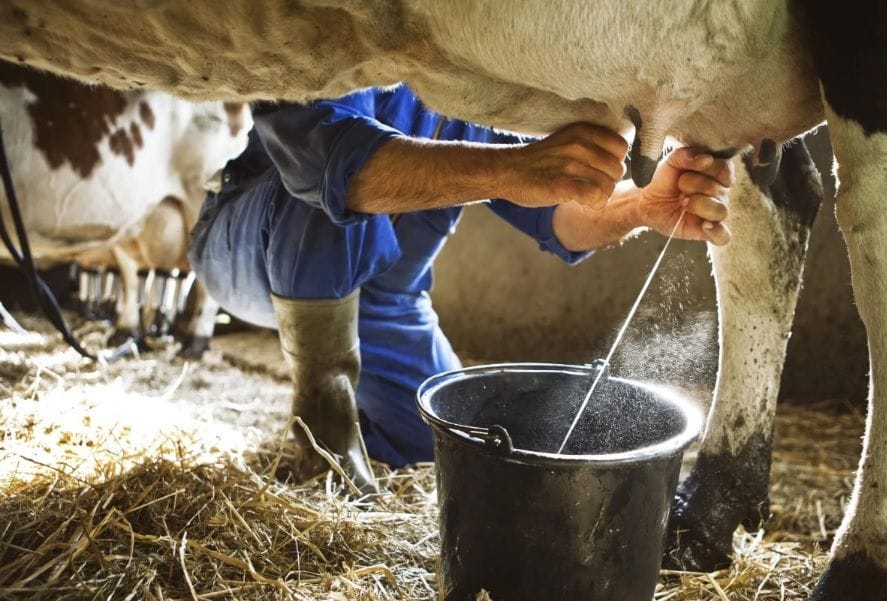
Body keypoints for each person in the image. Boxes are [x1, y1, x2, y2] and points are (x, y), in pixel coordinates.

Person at [189, 85, 735, 492]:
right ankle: (323, 424)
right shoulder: (340, 32)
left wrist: (640, 205)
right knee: (330, 188)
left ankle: (365, 422)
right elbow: (331, 165)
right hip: (249, 244)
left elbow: (559, 216)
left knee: (443, 441)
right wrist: (514, 169)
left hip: (385, 304)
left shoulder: (470, 84)